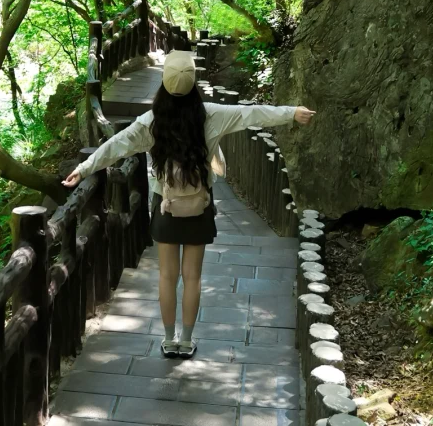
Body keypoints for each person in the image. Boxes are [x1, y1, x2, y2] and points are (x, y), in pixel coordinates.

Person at [62, 49, 315, 359]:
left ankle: (168, 340)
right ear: (193, 82)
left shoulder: (151, 121)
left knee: (167, 276)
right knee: (192, 277)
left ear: (165, 83)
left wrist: (84, 167)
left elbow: (116, 144)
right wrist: (292, 112)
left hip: (165, 206)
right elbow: (252, 114)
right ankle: (186, 340)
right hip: (200, 206)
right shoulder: (212, 114)